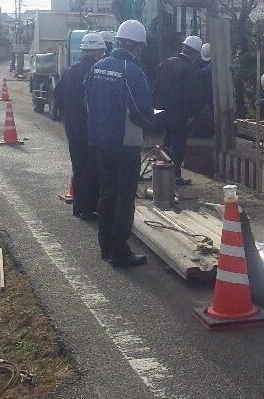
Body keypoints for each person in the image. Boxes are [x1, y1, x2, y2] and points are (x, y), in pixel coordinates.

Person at [84, 20, 157, 268]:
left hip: (101, 141)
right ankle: (120, 251)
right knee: (125, 198)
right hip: (125, 144)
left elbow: (88, 100)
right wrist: (154, 121)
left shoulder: (97, 67)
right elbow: (140, 110)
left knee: (107, 193)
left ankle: (105, 245)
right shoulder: (132, 71)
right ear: (138, 45)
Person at [55, 32, 105, 220]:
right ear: (99, 51)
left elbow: (58, 95)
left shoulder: (70, 71)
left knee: (79, 166)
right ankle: (89, 207)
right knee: (93, 168)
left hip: (73, 128)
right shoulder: (99, 72)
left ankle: (79, 206)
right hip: (92, 128)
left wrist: (66, 116)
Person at [152, 35, 203, 185]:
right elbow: (191, 95)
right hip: (179, 115)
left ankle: (165, 174)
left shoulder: (166, 63)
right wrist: (191, 114)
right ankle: (174, 176)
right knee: (178, 145)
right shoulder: (190, 69)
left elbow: (156, 87)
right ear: (195, 53)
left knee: (167, 142)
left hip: (163, 112)